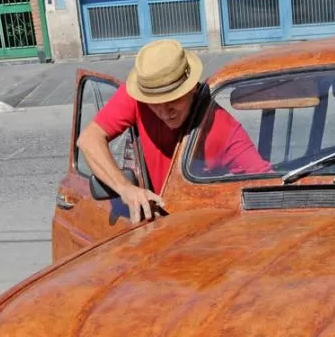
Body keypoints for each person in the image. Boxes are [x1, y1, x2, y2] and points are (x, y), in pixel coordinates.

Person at [77, 39, 271, 223]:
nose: (163, 111)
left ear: (191, 88)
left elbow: (267, 188)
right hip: (158, 227)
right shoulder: (138, 98)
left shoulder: (223, 128)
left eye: (173, 99)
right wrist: (126, 188)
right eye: (154, 103)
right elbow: (88, 140)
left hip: (200, 229)